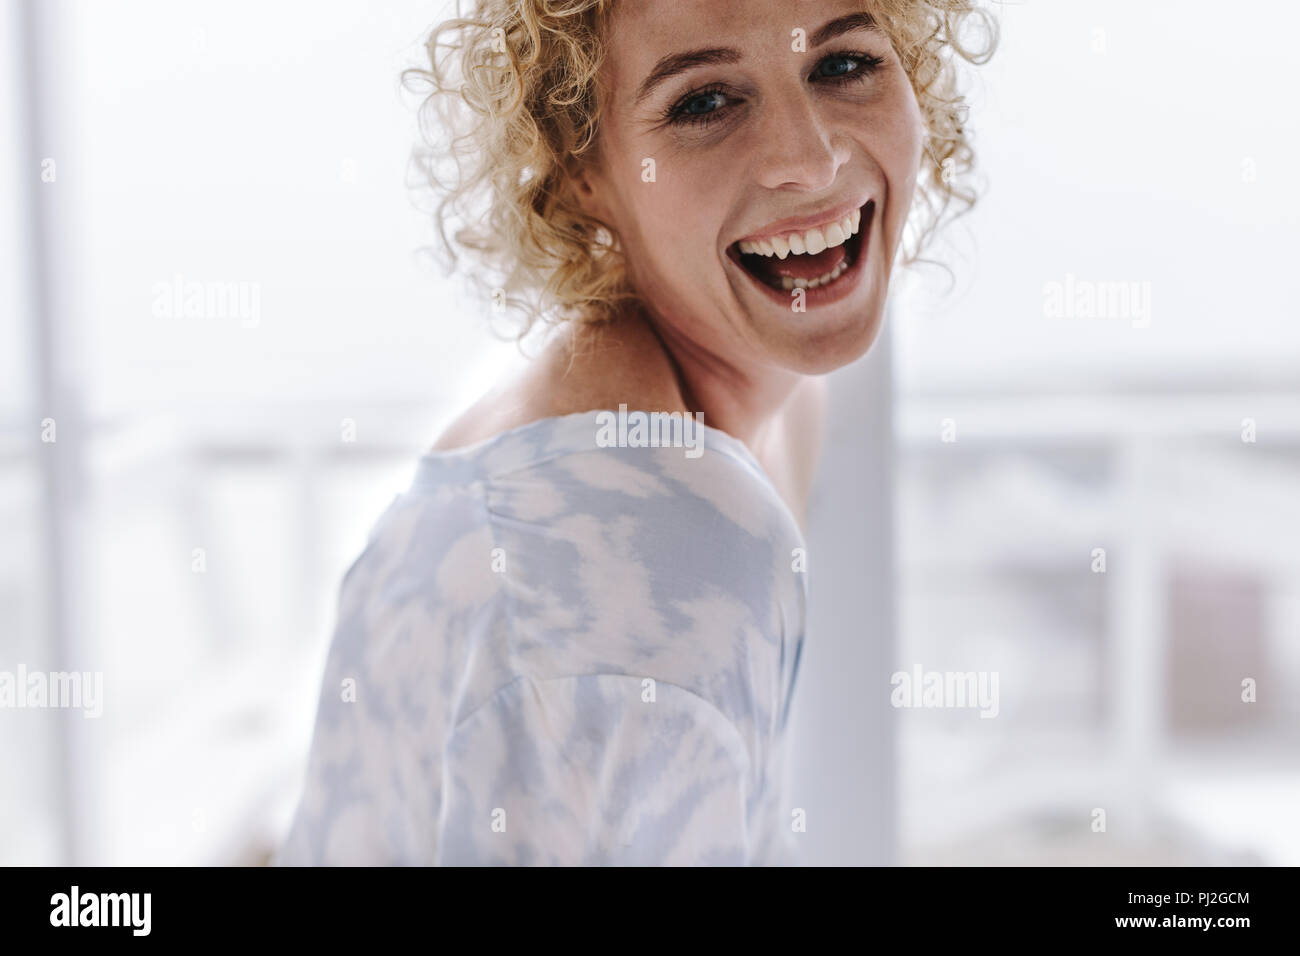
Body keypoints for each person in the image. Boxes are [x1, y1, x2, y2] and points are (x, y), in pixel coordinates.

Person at [276, 0, 993, 865]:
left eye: (844, 65)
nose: (810, 158)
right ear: (580, 167)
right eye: (704, 103)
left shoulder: (727, 406)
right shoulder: (661, 550)